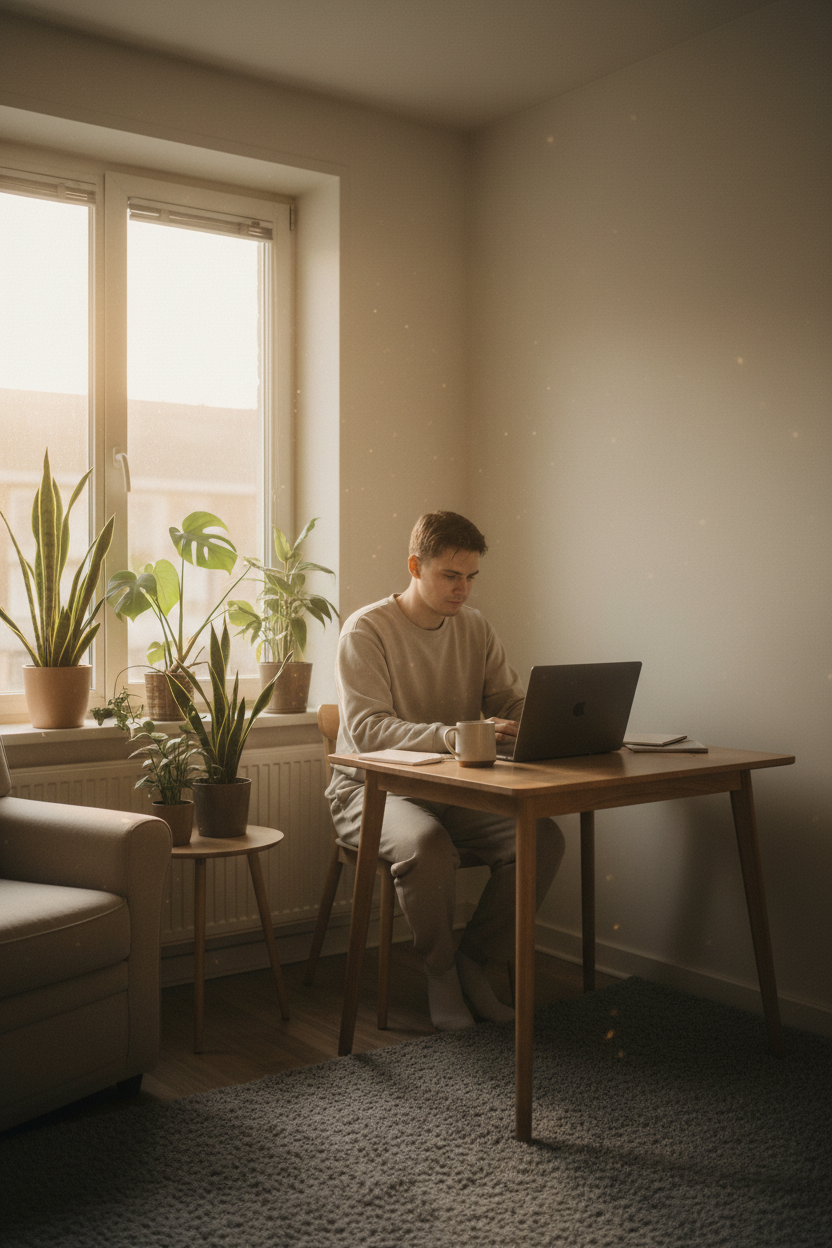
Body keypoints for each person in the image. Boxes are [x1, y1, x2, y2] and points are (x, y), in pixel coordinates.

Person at [326, 511, 565, 1030]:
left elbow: (509, 701)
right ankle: (439, 973)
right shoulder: (366, 629)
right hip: (369, 793)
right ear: (416, 566)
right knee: (427, 846)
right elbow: (367, 730)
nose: (464, 589)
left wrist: (546, 725)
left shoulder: (475, 628)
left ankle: (473, 960)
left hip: (455, 790)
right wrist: (451, 734)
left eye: (472, 576)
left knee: (542, 838)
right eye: (450, 576)